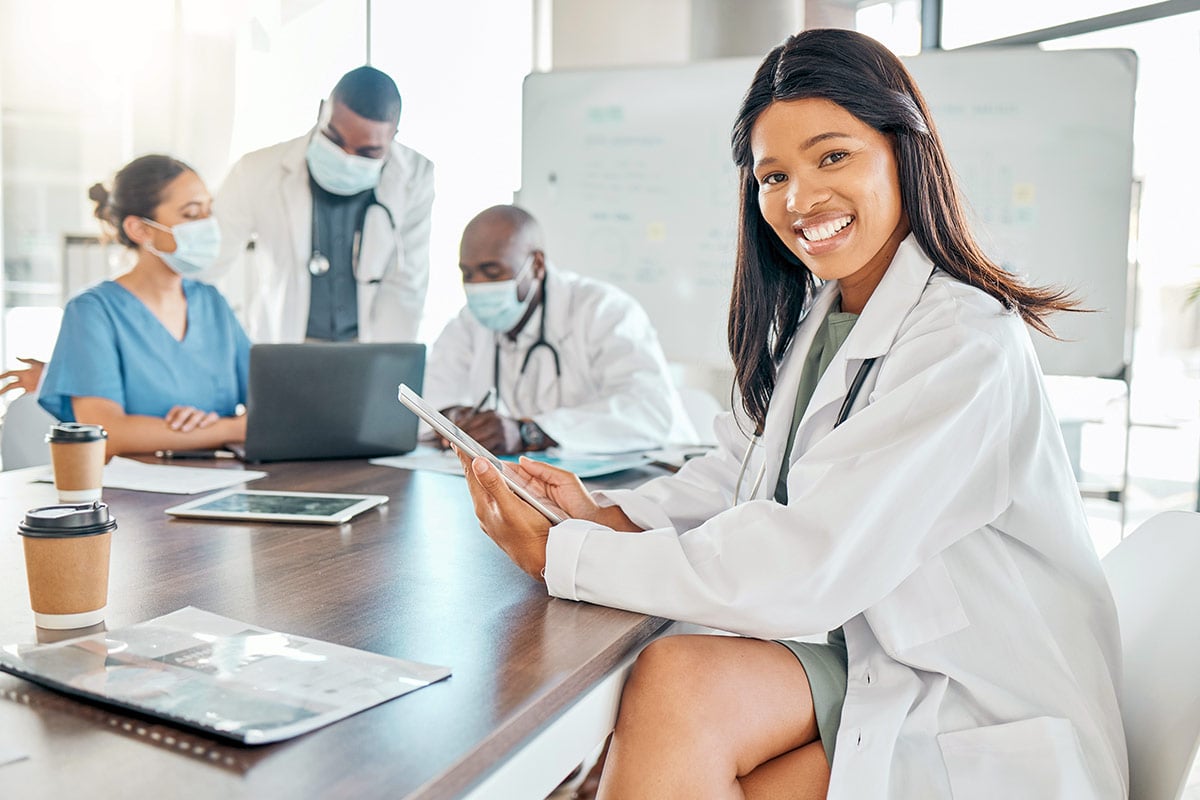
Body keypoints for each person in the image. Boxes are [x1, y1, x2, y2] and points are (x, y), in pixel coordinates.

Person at [454, 29, 1127, 798]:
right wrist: (604, 515)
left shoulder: (966, 342)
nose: (800, 199)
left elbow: (811, 560)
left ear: (904, 149)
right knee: (669, 698)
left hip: (976, 699)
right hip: (872, 658)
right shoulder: (820, 316)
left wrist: (566, 557)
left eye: (832, 156)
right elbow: (741, 477)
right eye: (773, 175)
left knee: (666, 709)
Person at [423, 204, 696, 456]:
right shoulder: (468, 323)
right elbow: (432, 395)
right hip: (545, 484)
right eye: (467, 274)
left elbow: (647, 411)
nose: (478, 285)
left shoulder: (604, 310)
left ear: (537, 265)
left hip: (655, 475)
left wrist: (530, 432)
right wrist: (453, 417)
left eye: (492, 272)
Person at [38, 155, 250, 458]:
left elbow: (269, 407)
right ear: (141, 230)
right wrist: (229, 429)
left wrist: (220, 427)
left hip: (222, 485)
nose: (207, 225)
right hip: (134, 498)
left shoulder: (211, 303)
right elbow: (106, 432)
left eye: (208, 212)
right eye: (191, 214)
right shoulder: (93, 311)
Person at [209, 65, 434, 344]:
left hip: (366, 344)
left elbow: (406, 285)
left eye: (368, 152)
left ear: (393, 137)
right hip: (285, 341)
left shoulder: (415, 178)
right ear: (321, 112)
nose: (347, 158)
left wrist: (386, 365)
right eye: (335, 139)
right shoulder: (256, 171)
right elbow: (207, 264)